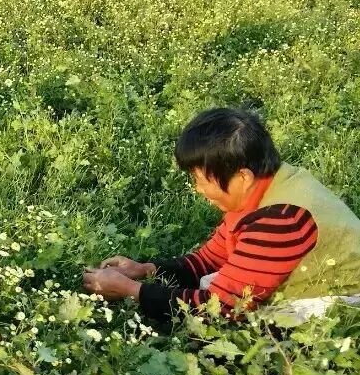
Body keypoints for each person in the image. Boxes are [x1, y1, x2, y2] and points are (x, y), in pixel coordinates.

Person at [83, 108, 360, 323]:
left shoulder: (280, 219)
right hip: (300, 276)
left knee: (242, 335)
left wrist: (132, 291)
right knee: (211, 281)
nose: (198, 189)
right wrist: (144, 270)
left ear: (242, 177)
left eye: (201, 179)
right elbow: (209, 260)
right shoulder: (265, 186)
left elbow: (222, 308)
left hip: (340, 304)